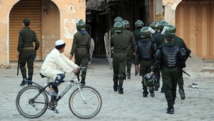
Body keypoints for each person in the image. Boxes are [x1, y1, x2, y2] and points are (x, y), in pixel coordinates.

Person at [151, 31, 187, 114]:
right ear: (173, 39)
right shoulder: (178, 47)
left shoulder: (161, 48)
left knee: (168, 88)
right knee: (174, 87)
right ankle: (172, 102)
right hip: (176, 70)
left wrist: (153, 70)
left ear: (165, 39)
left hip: (166, 70)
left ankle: (170, 107)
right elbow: (182, 58)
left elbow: (158, 61)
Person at [164, 24, 191, 100]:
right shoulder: (180, 40)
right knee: (179, 77)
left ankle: (170, 94)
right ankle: (181, 89)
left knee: (168, 79)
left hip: (168, 64)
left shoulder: (165, 40)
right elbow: (186, 51)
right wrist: (182, 61)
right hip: (178, 63)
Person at [135, 27, 157, 97]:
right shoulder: (152, 42)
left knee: (143, 77)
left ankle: (144, 92)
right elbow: (155, 53)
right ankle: (151, 89)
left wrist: (136, 64)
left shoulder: (138, 43)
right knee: (152, 75)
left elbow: (137, 54)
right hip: (151, 61)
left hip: (143, 62)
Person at [17, 18, 40, 86]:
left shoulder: (21, 32)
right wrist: (35, 49)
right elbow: (38, 43)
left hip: (24, 51)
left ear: (23, 24)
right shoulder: (33, 32)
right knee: (30, 66)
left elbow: (20, 43)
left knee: (22, 65)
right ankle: (30, 81)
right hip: (31, 51)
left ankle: (24, 79)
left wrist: (19, 51)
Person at [70, 19, 91, 86]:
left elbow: (74, 46)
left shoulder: (76, 35)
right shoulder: (88, 35)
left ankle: (77, 78)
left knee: (77, 66)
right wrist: (88, 54)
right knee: (84, 67)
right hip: (85, 52)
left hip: (78, 52)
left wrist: (71, 53)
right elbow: (89, 45)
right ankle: (83, 81)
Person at [111, 21, 130, 94]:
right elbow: (127, 45)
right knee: (122, 72)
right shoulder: (126, 37)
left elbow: (111, 45)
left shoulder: (113, 37)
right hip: (123, 54)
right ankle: (120, 87)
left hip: (116, 54)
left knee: (115, 71)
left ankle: (115, 86)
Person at [152, 20, 169, 93]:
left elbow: (153, 45)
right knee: (164, 72)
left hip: (158, 54)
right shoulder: (169, 36)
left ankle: (156, 84)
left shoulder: (156, 35)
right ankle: (164, 87)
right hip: (166, 55)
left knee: (156, 70)